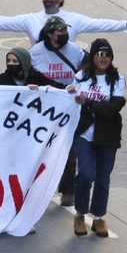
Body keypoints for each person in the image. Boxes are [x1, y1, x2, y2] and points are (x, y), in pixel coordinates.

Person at [68, 38, 125, 238]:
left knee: (103, 178)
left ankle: (99, 216)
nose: (103, 59)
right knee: (85, 174)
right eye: (99, 55)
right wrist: (72, 96)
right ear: (92, 56)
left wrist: (89, 103)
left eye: (107, 55)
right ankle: (80, 213)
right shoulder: (81, 76)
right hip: (84, 134)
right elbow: (73, 102)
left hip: (107, 135)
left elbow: (114, 108)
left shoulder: (117, 80)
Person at [29, 16, 86, 205]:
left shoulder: (75, 51)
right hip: (43, 110)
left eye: (64, 30)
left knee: (69, 150)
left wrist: (78, 87)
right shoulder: (36, 53)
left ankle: (68, 189)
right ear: (49, 33)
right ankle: (35, 189)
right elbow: (28, 77)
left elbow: (86, 71)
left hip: (68, 109)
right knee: (40, 149)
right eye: (58, 31)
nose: (62, 34)